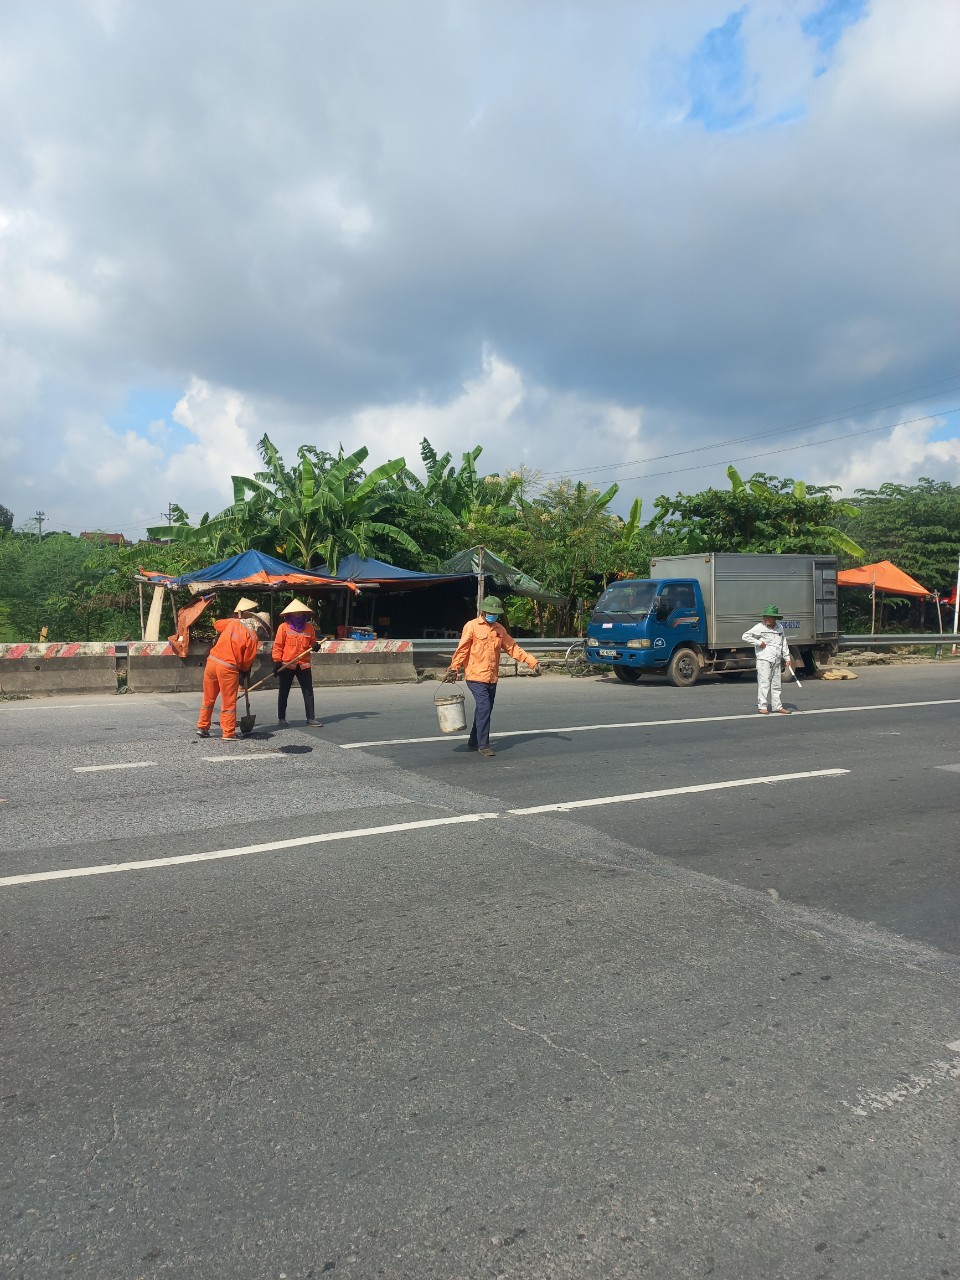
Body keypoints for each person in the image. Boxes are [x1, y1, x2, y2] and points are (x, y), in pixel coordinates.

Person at [444, 596, 540, 757]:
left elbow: (513, 648)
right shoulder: (472, 626)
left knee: (484, 709)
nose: (492, 615)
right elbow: (462, 650)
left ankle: (473, 741)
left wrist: (532, 662)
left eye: (495, 613)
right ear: (483, 611)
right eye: (490, 612)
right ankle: (483, 745)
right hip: (475, 676)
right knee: (484, 707)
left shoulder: (500, 629)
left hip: (491, 678)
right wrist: (454, 668)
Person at [196, 596, 261, 740]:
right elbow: (247, 661)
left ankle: (202, 726)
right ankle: (228, 732)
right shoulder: (252, 635)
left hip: (212, 663)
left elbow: (217, 624)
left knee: (208, 698)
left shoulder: (231, 624)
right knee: (228, 701)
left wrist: (234, 619)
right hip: (228, 668)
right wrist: (244, 674)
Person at [272, 599, 322, 728]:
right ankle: (281, 718)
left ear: (304, 614)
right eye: (295, 614)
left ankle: (311, 718)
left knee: (308, 691)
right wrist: (277, 662)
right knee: (284, 691)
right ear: (290, 614)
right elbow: (278, 646)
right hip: (288, 664)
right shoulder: (283, 627)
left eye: (300, 614)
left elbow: (312, 642)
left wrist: (315, 646)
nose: (297, 616)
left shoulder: (309, 627)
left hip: (304, 664)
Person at [742, 604, 793, 715]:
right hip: (764, 659)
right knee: (764, 683)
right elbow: (745, 636)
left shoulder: (780, 627)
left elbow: (784, 642)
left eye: (769, 617)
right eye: (765, 617)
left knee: (776, 684)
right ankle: (762, 706)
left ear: (775, 618)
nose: (767, 619)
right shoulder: (759, 627)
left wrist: (787, 657)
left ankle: (777, 706)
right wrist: (759, 642)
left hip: (777, 659)